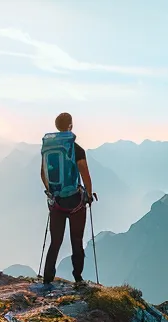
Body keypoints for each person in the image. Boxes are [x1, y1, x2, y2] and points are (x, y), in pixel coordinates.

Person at [39, 112, 96, 285]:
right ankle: (78, 278)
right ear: (70, 126)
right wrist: (88, 194)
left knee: (55, 241)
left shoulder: (48, 149)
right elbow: (84, 173)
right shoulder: (76, 149)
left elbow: (43, 174)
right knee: (76, 241)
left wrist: (52, 193)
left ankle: (47, 278)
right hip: (75, 201)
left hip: (56, 202)